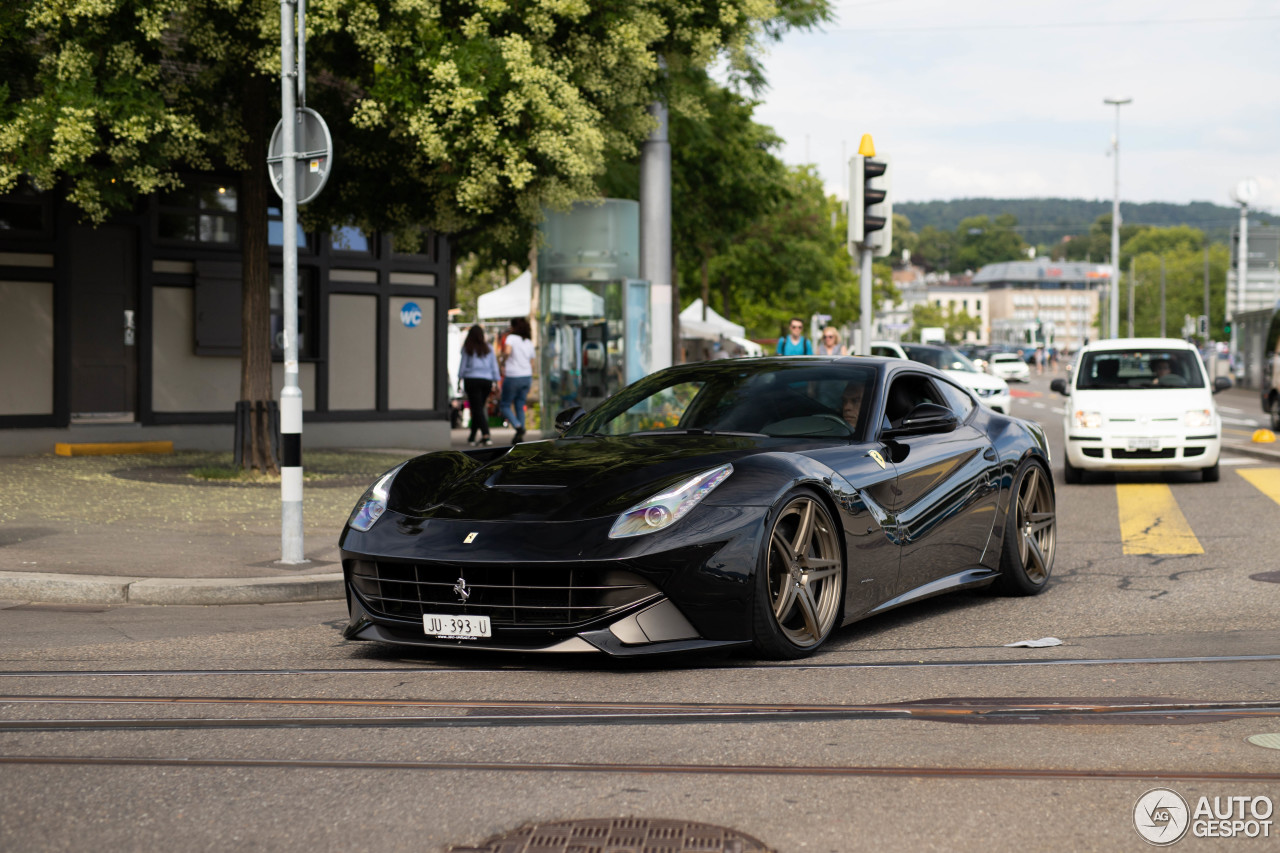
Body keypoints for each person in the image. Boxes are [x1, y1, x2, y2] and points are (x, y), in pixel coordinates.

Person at [458, 324, 500, 446]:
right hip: (486, 381)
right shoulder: (489, 348)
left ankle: (486, 435)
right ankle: (472, 437)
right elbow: (494, 366)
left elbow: (463, 365)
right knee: (479, 408)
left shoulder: (468, 348)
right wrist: (496, 381)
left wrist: (459, 380)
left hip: (471, 380)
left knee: (477, 409)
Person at [499, 316, 535, 444]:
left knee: (504, 405)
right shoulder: (528, 342)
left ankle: (518, 427)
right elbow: (532, 362)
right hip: (526, 376)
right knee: (520, 405)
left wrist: (502, 360)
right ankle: (520, 432)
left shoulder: (511, 338)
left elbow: (507, 352)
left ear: (514, 327)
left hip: (513, 376)